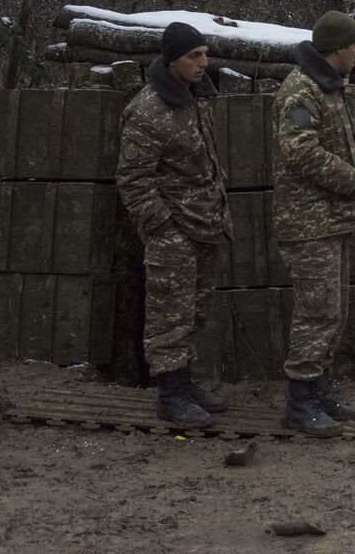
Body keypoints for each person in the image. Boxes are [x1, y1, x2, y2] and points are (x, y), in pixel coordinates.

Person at [116, 21, 231, 427]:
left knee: (194, 311)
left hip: (204, 224)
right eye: (193, 56)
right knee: (169, 314)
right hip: (174, 232)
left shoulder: (195, 98)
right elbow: (133, 180)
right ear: (171, 60)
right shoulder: (149, 111)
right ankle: (168, 394)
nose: (203, 62)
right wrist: (163, 228)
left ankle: (183, 384)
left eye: (204, 53)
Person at [272, 10, 355, 436]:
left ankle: (319, 391)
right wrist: (351, 178)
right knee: (316, 312)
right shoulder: (301, 90)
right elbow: (298, 150)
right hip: (309, 222)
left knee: (333, 311)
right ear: (338, 48)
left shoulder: (328, 88)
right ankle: (299, 402)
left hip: (331, 219)